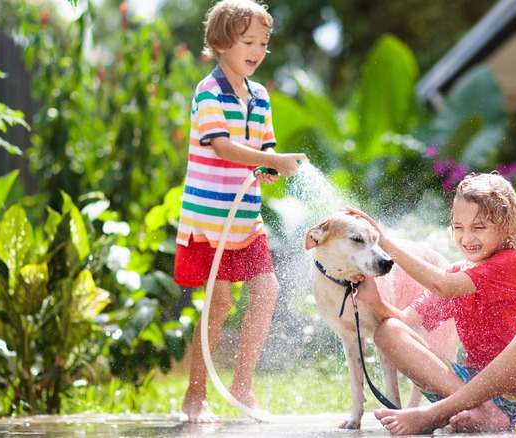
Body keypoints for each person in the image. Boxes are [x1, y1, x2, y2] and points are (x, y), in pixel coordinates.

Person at [173, 0, 307, 424]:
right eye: (249, 41)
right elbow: (223, 146)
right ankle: (196, 394)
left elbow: (263, 147)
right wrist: (270, 162)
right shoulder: (208, 91)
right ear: (221, 43)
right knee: (219, 304)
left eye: (264, 43)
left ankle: (242, 385)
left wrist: (268, 164)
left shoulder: (261, 96)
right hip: (210, 221)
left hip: (246, 218)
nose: (258, 50)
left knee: (266, 291)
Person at [346, 172, 516, 435]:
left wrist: (386, 245)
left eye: (478, 228)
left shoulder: (515, 263)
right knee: (387, 331)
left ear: (507, 227)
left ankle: (435, 414)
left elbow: (442, 285)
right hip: (468, 390)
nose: (466, 238)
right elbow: (405, 323)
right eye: (458, 227)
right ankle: (482, 413)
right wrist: (375, 301)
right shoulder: (458, 271)